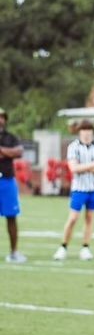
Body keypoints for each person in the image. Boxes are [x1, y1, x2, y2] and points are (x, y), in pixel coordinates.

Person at [53, 120, 94, 261]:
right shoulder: (74, 147)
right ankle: (63, 246)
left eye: (89, 130)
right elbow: (73, 168)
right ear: (79, 132)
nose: (86, 133)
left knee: (89, 218)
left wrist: (84, 166)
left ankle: (85, 247)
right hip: (79, 188)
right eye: (84, 130)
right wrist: (93, 164)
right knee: (73, 218)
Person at [0, 108, 27, 263]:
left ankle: (14, 251)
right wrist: (7, 153)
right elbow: (12, 153)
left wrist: (2, 151)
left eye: (2, 117)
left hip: (7, 181)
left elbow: (18, 152)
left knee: (11, 216)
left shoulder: (11, 137)